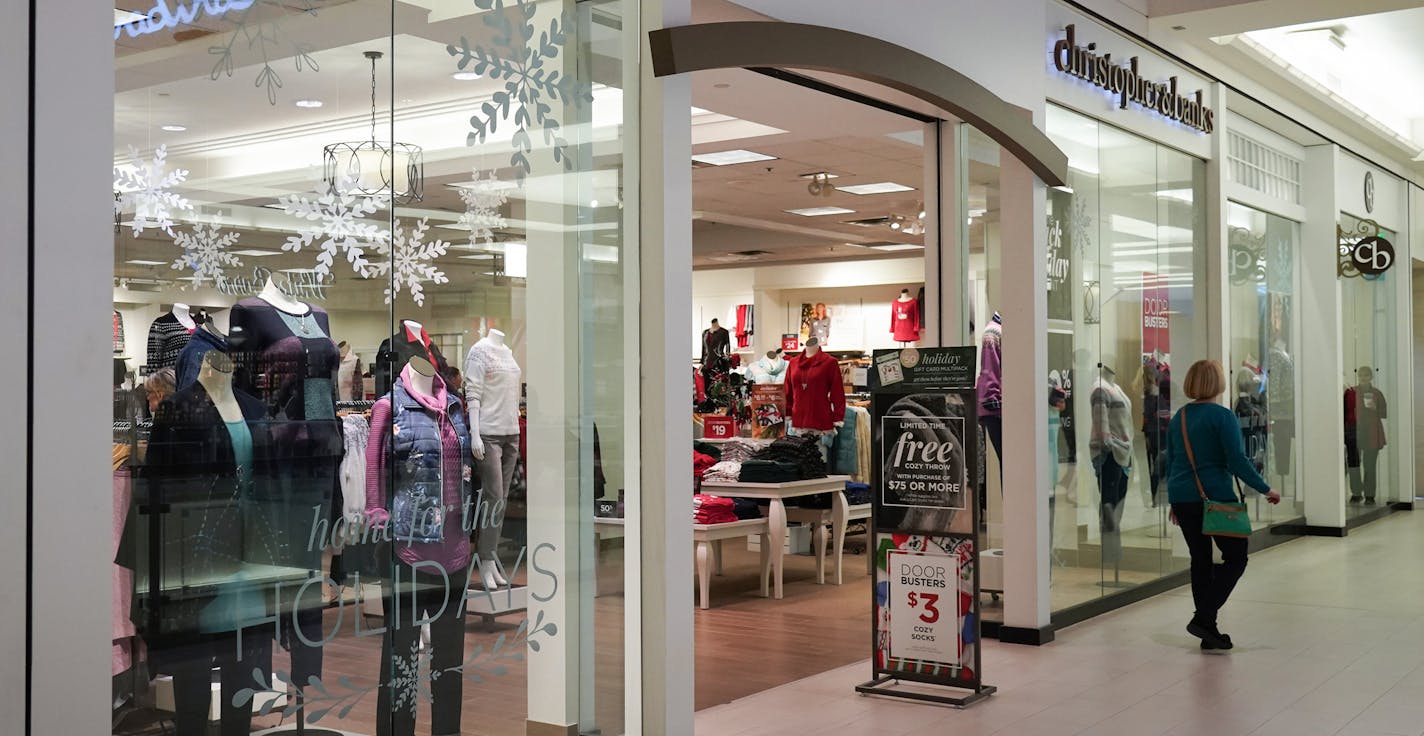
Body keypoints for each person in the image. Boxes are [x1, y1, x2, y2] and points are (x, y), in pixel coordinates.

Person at [1162, 360, 1280, 652]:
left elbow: (1173, 460)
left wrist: (1173, 500)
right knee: (1236, 557)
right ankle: (1203, 618)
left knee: (1200, 561)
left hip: (1183, 496)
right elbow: (1237, 460)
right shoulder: (1222, 416)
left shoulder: (1180, 417)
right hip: (1214, 497)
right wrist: (1266, 488)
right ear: (1217, 383)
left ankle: (1208, 630)